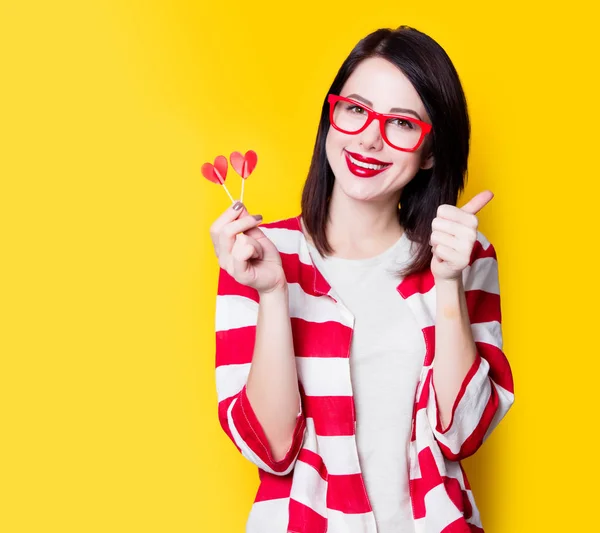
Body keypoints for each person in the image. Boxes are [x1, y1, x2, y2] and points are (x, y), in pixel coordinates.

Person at [209, 25, 515, 533]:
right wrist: (271, 292)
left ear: (432, 151)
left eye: (401, 123)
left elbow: (464, 435)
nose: (370, 138)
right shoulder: (262, 253)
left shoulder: (464, 254)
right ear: (331, 118)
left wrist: (447, 283)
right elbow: (272, 449)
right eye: (356, 110)